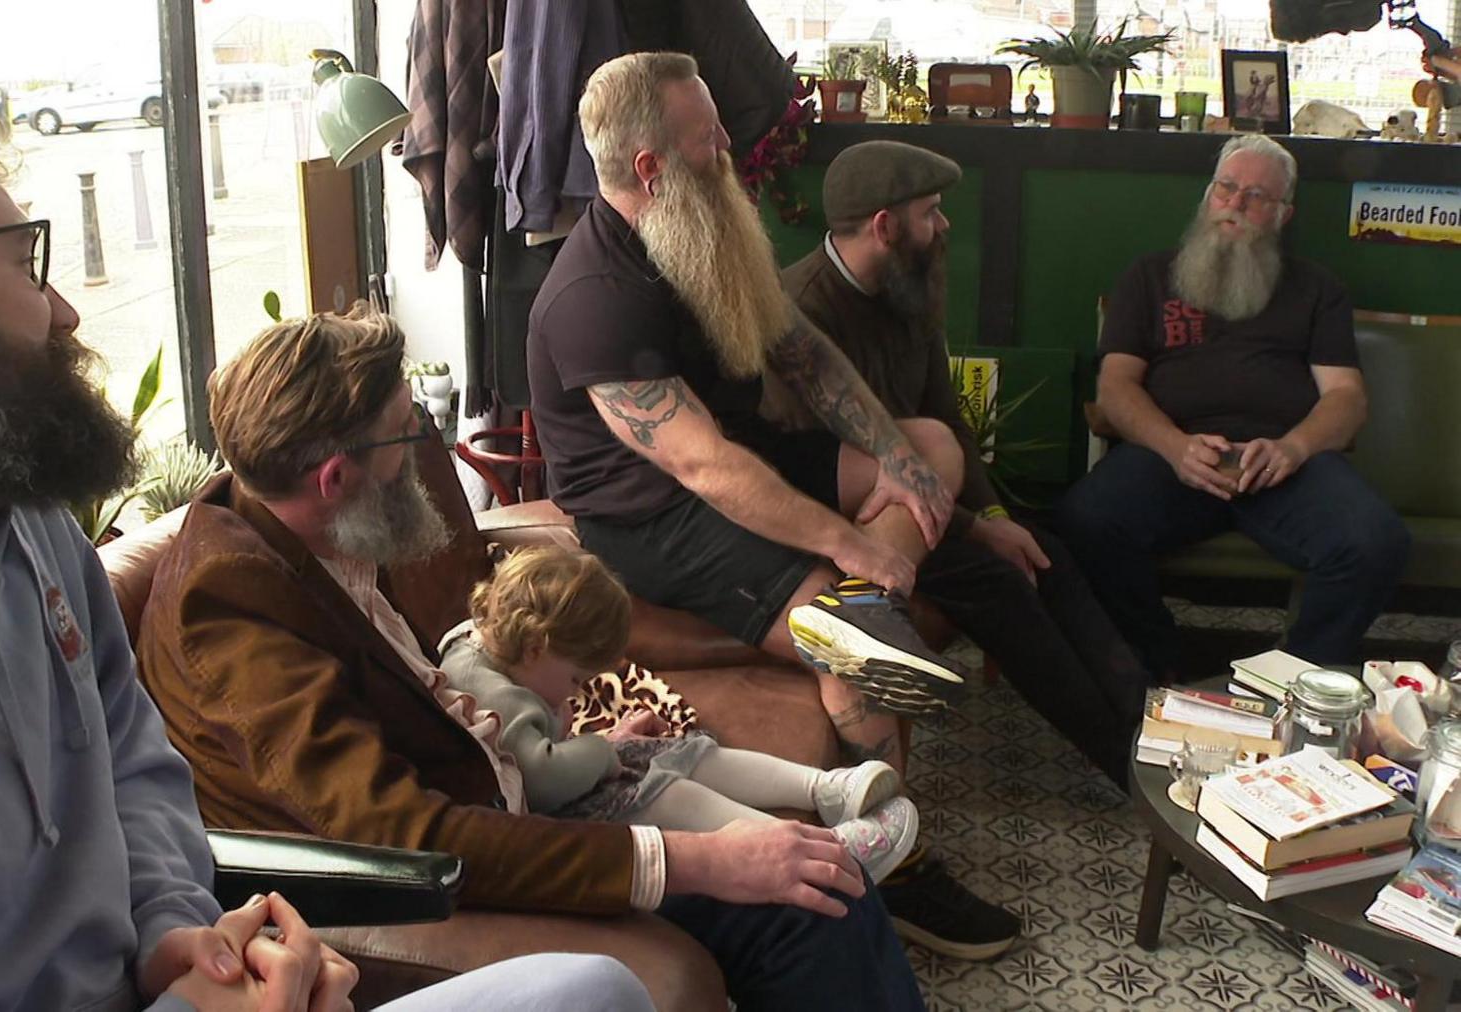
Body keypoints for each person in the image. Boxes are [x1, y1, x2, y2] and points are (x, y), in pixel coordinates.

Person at [0, 83, 651, 1012]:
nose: (64, 309)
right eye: (24, 262)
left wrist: (180, 937)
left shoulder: (30, 530)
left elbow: (134, 770)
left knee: (596, 993)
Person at [136, 304, 927, 1011]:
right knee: (818, 898)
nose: (422, 455)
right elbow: (404, 834)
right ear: (335, 477)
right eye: (407, 435)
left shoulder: (307, 531)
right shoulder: (231, 612)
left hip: (501, 797)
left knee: (805, 874)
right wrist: (693, 861)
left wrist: (579, 757)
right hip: (433, 877)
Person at [523, 50, 1019, 961]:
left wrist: (896, 462)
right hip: (648, 517)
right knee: (853, 634)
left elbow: (806, 358)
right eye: (708, 136)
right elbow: (704, 468)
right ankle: (894, 875)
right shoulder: (594, 298)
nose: (729, 149)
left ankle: (864, 602)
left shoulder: (700, 227)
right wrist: (852, 552)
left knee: (935, 449)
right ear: (649, 168)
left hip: (740, 460)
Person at [770, 140, 1150, 789]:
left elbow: (947, 422)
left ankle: (1156, 728)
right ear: (886, 226)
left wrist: (995, 514)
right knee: (1001, 580)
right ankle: (1130, 766)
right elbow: (820, 472)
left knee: (1046, 552)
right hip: (848, 529)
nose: (944, 226)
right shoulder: (800, 310)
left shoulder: (905, 289)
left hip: (925, 505)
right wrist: (977, 530)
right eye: (932, 212)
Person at [1059, 135, 1408, 677]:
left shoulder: (1317, 289)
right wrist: (1176, 447)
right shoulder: (1149, 277)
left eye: (1257, 195)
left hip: (1283, 463)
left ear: (1283, 213)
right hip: (1171, 457)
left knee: (1374, 541)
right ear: (1208, 195)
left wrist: (1294, 447)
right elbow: (1116, 387)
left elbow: (1346, 397)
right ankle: (1158, 665)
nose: (1237, 204)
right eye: (1227, 188)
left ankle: (1293, 677)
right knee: (1085, 521)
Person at [440, 544, 919, 881]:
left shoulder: (493, 649)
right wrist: (599, 753)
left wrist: (601, 745)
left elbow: (541, 750)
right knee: (662, 792)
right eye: (575, 683)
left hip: (557, 777)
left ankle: (826, 788)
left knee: (682, 750)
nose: (574, 696)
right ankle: (825, 856)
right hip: (538, 821)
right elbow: (541, 780)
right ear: (534, 647)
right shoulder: (494, 690)